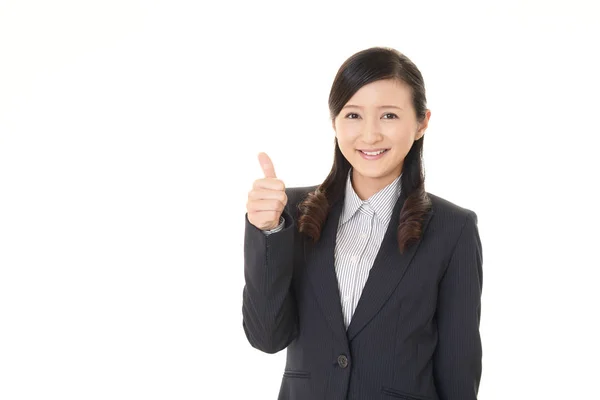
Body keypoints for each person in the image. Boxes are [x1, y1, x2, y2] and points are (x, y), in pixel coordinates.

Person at [242, 47, 483, 400]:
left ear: (421, 123)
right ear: (335, 122)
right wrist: (268, 233)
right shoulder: (287, 212)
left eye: (388, 115)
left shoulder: (453, 229)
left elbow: (458, 373)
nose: (369, 136)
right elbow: (266, 337)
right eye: (353, 115)